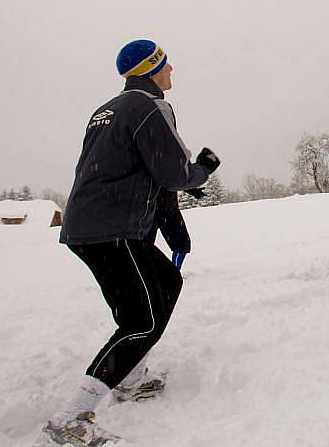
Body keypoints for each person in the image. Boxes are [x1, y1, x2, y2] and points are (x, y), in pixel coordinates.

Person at [40, 39, 221, 446]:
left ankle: (130, 373)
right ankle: (71, 419)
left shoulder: (105, 110)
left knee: (165, 284)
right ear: (152, 68)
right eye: (165, 63)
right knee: (143, 321)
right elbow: (173, 172)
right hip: (113, 229)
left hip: (90, 226)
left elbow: (108, 165)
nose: (171, 69)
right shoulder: (150, 106)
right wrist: (202, 170)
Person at [144, 188, 204, 271]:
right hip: (158, 210)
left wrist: (192, 190)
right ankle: (145, 275)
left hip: (162, 210)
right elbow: (175, 178)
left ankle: (173, 273)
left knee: (182, 244)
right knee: (142, 246)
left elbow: (176, 178)